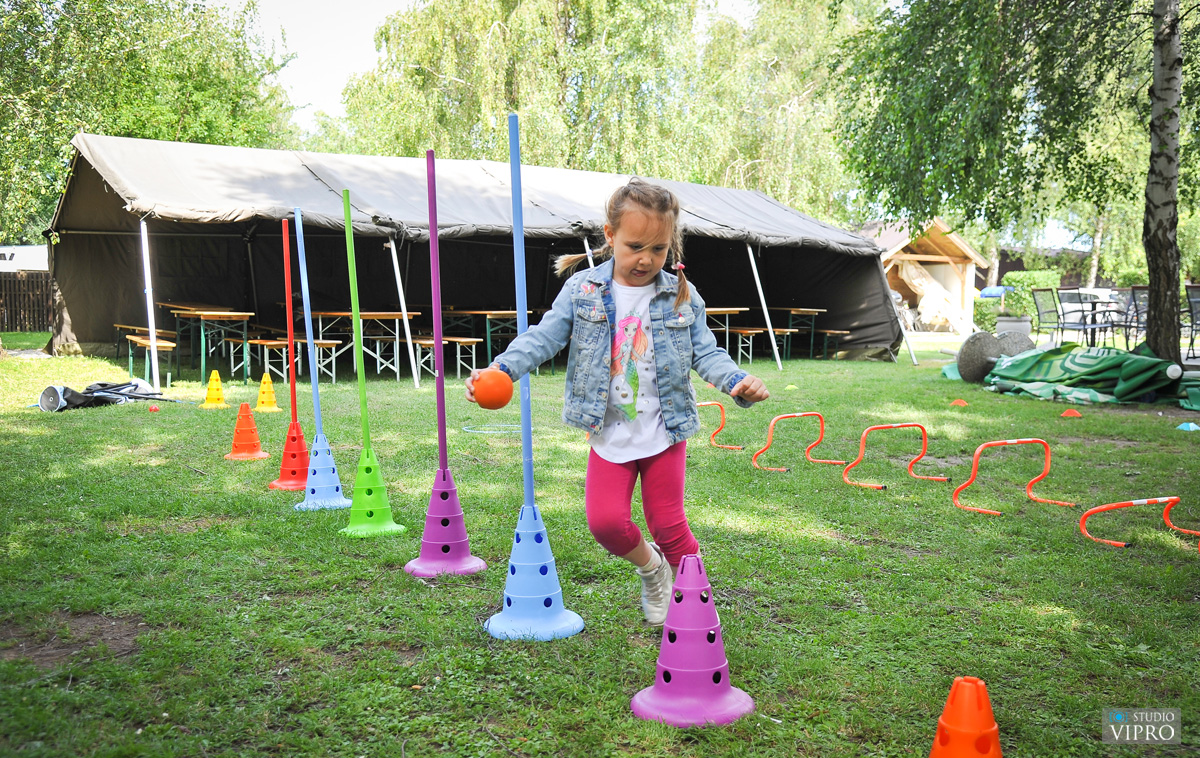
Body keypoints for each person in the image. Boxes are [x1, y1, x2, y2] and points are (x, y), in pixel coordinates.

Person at [465, 178, 769, 625]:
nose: (646, 258)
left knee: (669, 525)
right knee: (606, 523)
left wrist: (737, 381)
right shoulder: (582, 290)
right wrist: (500, 369)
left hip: (664, 429)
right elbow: (544, 338)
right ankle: (653, 569)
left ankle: (696, 607)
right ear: (610, 236)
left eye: (659, 249)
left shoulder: (681, 294)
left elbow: (706, 353)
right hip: (609, 430)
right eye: (635, 246)